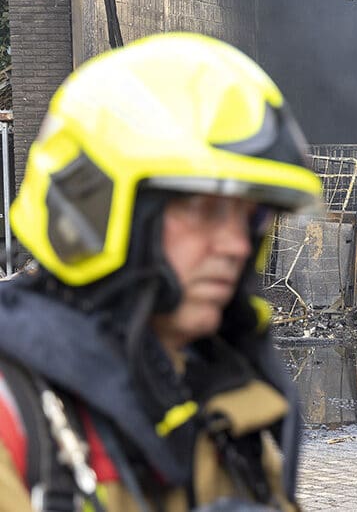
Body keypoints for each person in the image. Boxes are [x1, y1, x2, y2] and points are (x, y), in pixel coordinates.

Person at [0, 33, 322, 510]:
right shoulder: (16, 424)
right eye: (203, 208)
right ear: (99, 205)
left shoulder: (237, 420)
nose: (236, 245)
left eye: (250, 217)